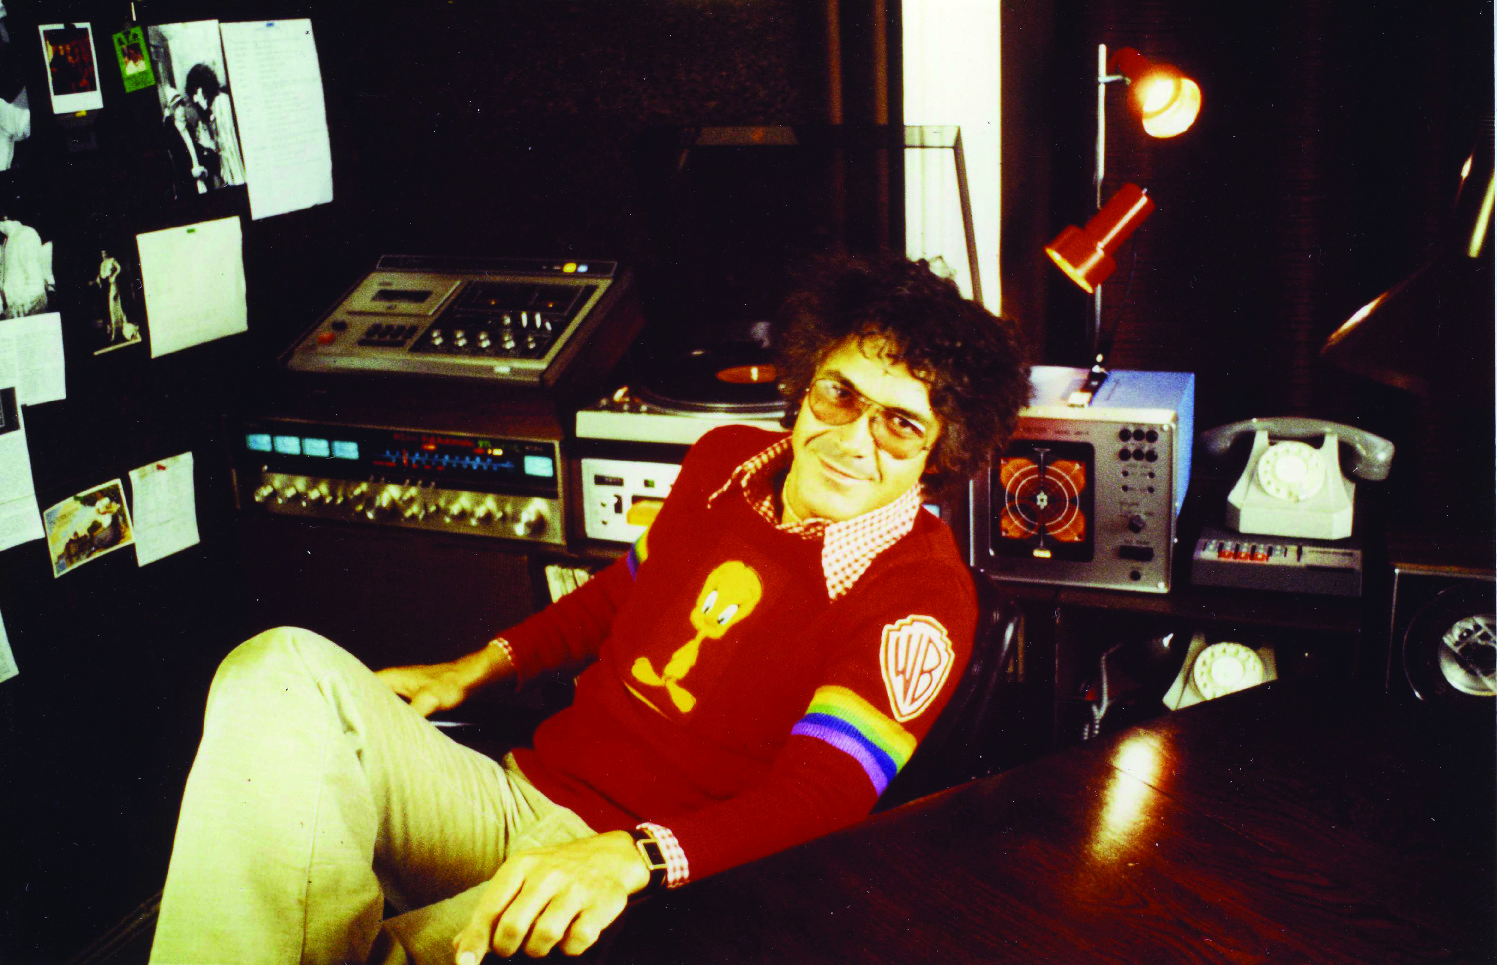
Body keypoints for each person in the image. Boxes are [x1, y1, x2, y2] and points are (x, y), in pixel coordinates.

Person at [148, 251, 1031, 964]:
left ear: (942, 451)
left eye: (899, 424)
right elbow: (619, 594)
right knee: (281, 668)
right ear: (805, 382)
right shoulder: (724, 458)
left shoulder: (921, 595)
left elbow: (822, 797)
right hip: (516, 795)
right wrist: (474, 668)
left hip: (647, 884)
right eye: (840, 393)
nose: (851, 438)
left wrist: (631, 855)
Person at [186, 63, 245, 186]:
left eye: (195, 93)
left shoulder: (222, 103)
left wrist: (209, 143)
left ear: (202, 88)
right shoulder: (214, 107)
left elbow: (230, 147)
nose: (195, 99)